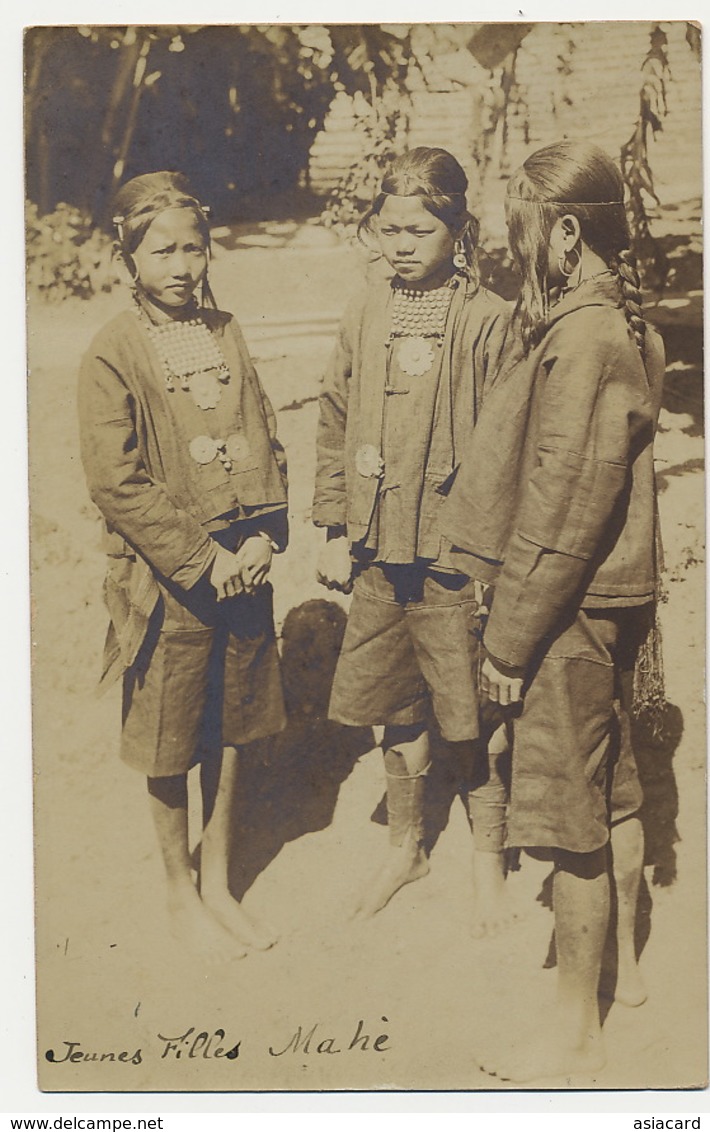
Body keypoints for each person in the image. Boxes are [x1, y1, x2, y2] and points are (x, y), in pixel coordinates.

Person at [441, 140, 665, 1082]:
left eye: (523, 231)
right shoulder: (606, 323)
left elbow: (565, 501)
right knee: (611, 791)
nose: (509, 249)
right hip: (598, 599)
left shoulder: (583, 339)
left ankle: (577, 1031)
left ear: (567, 233)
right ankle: (622, 975)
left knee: (570, 814)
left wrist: (510, 633)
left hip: (566, 609)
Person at [78, 172, 288, 961]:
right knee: (170, 733)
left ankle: (219, 881)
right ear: (126, 257)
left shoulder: (226, 331)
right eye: (160, 251)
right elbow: (115, 480)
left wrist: (265, 534)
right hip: (169, 584)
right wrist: (204, 558)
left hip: (249, 569)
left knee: (233, 721)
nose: (179, 266)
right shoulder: (112, 352)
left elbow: (264, 433)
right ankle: (178, 891)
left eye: (193, 248)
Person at [312, 147, 514, 929]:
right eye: (387, 228)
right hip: (374, 545)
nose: (400, 244)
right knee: (394, 700)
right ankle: (407, 846)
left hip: (454, 556)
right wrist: (334, 525)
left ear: (456, 231)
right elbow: (334, 415)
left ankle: (488, 859)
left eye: (419, 230)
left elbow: (506, 451)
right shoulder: (365, 308)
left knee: (470, 708)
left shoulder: (490, 321)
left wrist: (492, 559)